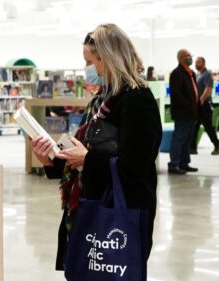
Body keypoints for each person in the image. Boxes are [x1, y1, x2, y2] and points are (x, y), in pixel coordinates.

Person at [30, 23, 162, 280]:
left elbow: (134, 166)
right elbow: (83, 153)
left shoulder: (138, 100)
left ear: (109, 58)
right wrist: (49, 158)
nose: (87, 69)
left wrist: (87, 160)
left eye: (90, 61)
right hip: (89, 205)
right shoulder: (100, 100)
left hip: (120, 211)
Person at [168, 49, 199, 174]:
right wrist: (188, 105)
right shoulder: (177, 73)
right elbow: (177, 94)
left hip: (191, 112)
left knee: (187, 138)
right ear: (181, 58)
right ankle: (173, 164)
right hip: (183, 113)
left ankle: (184, 163)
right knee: (179, 138)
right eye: (187, 56)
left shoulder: (190, 73)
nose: (190, 57)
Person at [190, 56, 219, 155]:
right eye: (195, 62)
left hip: (205, 104)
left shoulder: (207, 74)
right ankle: (192, 148)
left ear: (204, 63)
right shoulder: (199, 74)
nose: (196, 64)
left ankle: (217, 146)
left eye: (198, 62)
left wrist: (201, 99)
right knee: (195, 126)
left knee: (208, 126)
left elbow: (208, 88)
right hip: (198, 104)